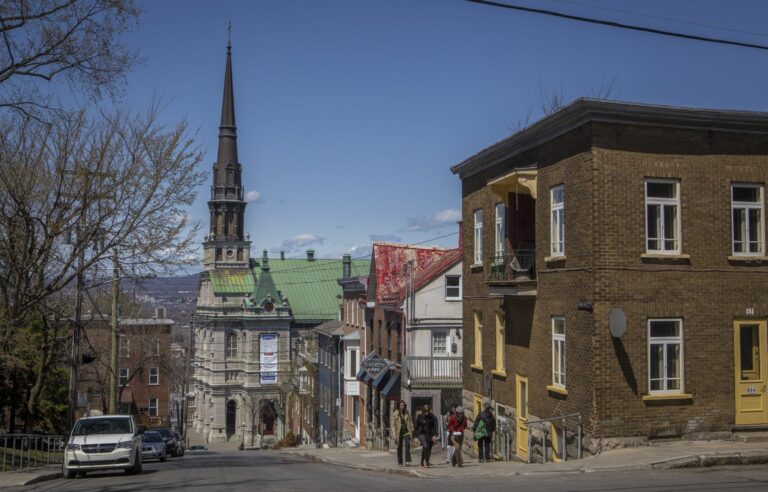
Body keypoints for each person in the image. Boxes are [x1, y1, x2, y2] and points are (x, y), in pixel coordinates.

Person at [391, 400, 414, 466]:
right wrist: (394, 436)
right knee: (399, 447)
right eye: (401, 405)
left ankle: (407, 461)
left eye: (403, 405)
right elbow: (393, 425)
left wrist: (412, 429)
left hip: (406, 431)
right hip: (399, 432)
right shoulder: (395, 413)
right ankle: (400, 461)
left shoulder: (407, 413)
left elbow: (410, 421)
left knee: (407, 445)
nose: (402, 407)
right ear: (398, 406)